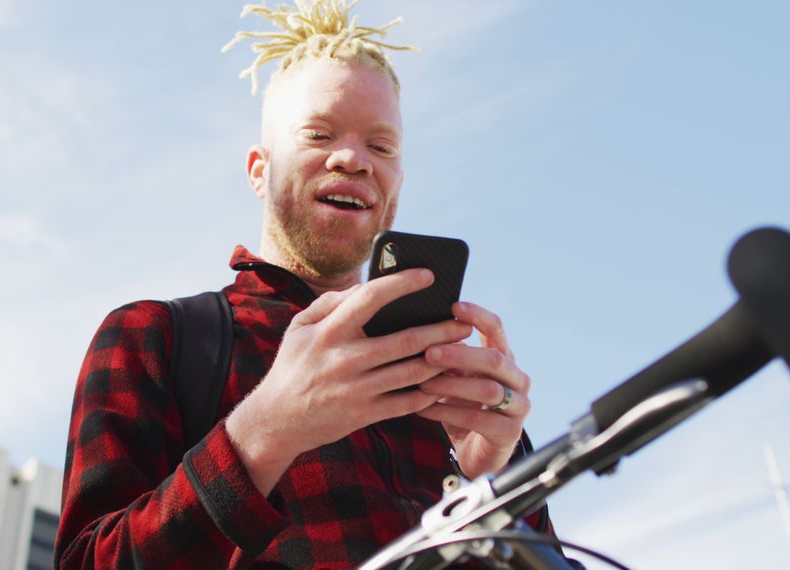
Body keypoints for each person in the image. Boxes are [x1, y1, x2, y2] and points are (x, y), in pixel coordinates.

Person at [55, 2, 563, 568]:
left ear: (397, 182)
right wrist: (264, 430)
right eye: (319, 133)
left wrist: (499, 487)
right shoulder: (155, 337)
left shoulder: (442, 385)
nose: (353, 159)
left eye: (382, 146)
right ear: (259, 169)